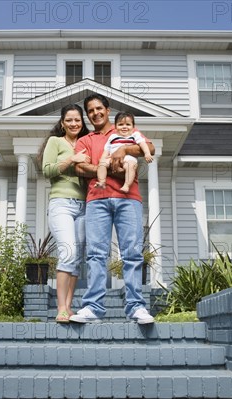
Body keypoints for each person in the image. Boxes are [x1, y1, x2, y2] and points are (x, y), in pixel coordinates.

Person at [69, 94, 156, 325]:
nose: (95, 113)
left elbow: (150, 147)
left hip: (128, 198)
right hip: (97, 200)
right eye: (90, 110)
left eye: (99, 108)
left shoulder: (123, 129)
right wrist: (107, 169)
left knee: (132, 253)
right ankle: (93, 308)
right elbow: (79, 168)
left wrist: (124, 152)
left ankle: (136, 307)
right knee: (96, 254)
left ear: (107, 110)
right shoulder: (85, 140)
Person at [40, 104, 90, 323]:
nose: (73, 123)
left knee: (77, 258)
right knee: (68, 251)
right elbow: (47, 170)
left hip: (83, 205)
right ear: (62, 123)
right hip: (61, 203)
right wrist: (72, 159)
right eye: (69, 120)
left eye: (77, 120)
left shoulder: (85, 143)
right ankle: (60, 308)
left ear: (82, 122)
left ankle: (69, 308)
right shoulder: (55, 142)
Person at [94, 112, 153, 193]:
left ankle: (126, 185)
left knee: (130, 166)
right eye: (121, 124)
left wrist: (147, 153)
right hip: (112, 158)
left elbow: (142, 144)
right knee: (102, 164)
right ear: (115, 127)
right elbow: (107, 149)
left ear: (133, 127)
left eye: (128, 124)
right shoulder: (112, 137)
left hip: (129, 159)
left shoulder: (135, 135)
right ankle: (102, 182)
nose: (124, 127)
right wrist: (103, 159)